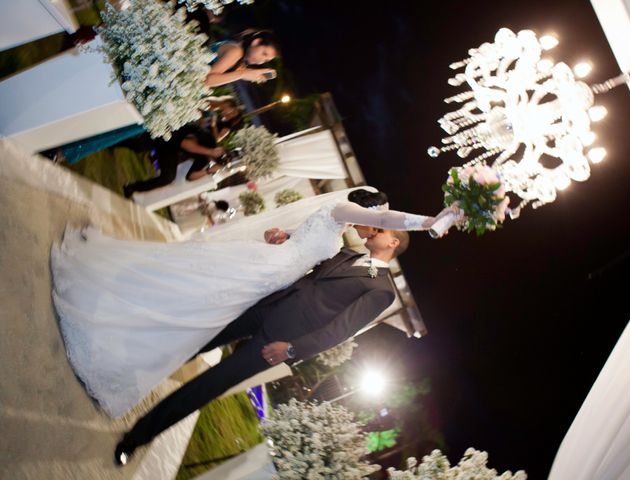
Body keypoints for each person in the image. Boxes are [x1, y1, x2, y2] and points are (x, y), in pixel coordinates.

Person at [51, 188, 459, 419]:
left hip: (270, 283)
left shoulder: (344, 238)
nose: (376, 226)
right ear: (366, 206)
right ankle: (129, 340)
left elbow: (295, 238)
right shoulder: (342, 209)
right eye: (378, 218)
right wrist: (429, 222)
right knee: (197, 313)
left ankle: (135, 357)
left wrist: (281, 235)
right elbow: (386, 222)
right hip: (264, 278)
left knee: (201, 318)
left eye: (380, 224)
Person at [41, 30, 277, 165]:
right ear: (255, 42)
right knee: (119, 125)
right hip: (165, 92)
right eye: (264, 53)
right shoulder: (235, 51)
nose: (262, 60)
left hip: (170, 95)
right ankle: (60, 149)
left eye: (266, 60)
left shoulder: (236, 56)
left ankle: (58, 145)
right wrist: (243, 74)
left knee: (119, 125)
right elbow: (207, 79)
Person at [122, 122, 225, 198]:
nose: (217, 155)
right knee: (138, 146)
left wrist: (209, 171)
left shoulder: (206, 159)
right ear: (221, 148)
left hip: (171, 148)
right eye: (221, 153)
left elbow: (190, 177)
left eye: (218, 158)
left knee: (168, 177)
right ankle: (115, 141)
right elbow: (185, 144)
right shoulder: (209, 139)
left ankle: (132, 188)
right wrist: (210, 151)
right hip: (169, 133)